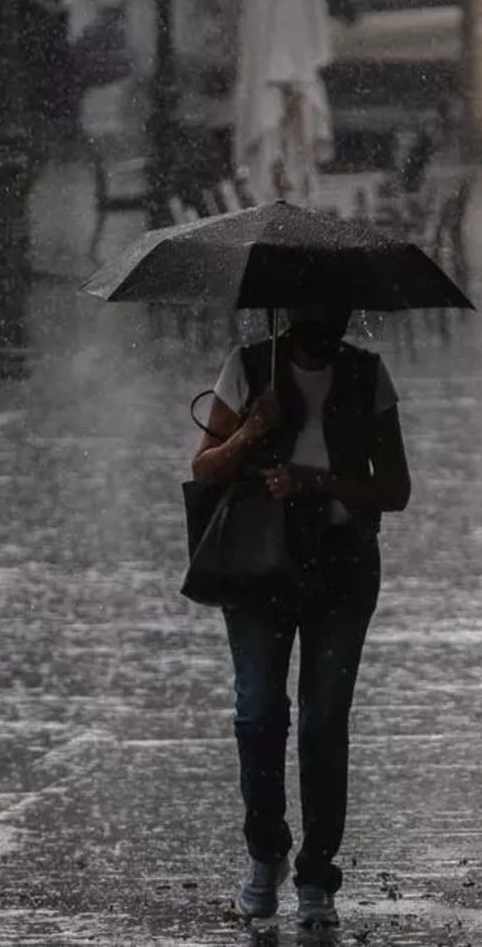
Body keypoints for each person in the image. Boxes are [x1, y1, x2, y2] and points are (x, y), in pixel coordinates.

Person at [190, 305, 411, 930]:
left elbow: (395, 489)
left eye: (335, 318)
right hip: (258, 564)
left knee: (324, 722)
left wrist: (320, 481)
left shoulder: (369, 377)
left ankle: (317, 874)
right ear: (287, 313)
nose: (324, 334)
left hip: (341, 569)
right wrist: (250, 430)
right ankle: (266, 853)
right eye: (312, 318)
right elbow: (203, 467)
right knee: (258, 711)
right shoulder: (247, 367)